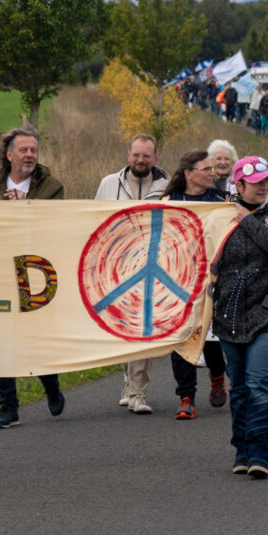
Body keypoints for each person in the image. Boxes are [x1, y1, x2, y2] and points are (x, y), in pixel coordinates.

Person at [0, 127, 66, 427]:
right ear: (9, 154)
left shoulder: (51, 187)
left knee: (34, 339)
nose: (29, 155)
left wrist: (23, 210)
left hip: (34, 273)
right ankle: (7, 407)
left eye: (33, 150)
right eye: (23, 150)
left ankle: (51, 385)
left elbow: (55, 226)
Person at [212, 156, 268, 479]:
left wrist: (246, 219)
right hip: (230, 316)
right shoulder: (220, 216)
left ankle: (260, 453)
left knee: (260, 381)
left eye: (267, 180)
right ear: (239, 185)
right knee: (241, 387)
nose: (264, 186)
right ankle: (242, 449)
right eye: (257, 181)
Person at [95, 134, 169, 414]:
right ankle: (128, 382)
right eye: (136, 155)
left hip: (152, 267)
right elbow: (93, 220)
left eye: (146, 156)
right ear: (129, 156)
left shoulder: (167, 185)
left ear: (155, 158)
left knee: (143, 329)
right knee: (123, 330)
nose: (140, 160)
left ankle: (138, 393)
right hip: (114, 268)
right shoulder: (108, 184)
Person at [160, 150, 230, 418]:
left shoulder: (222, 200)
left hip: (213, 279)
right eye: (206, 168)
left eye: (213, 168)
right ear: (188, 173)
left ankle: (217, 377)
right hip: (178, 281)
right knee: (182, 337)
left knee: (210, 337)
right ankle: (186, 397)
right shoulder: (169, 201)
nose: (212, 172)